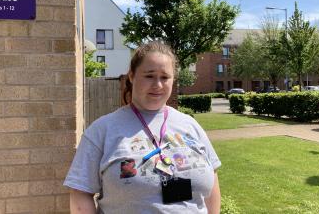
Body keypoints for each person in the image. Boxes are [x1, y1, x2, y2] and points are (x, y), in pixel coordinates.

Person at [64, 41, 221, 213]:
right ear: (132, 76)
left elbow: (212, 182)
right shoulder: (102, 130)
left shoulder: (190, 125)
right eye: (149, 76)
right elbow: (80, 193)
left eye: (165, 77)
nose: (158, 85)